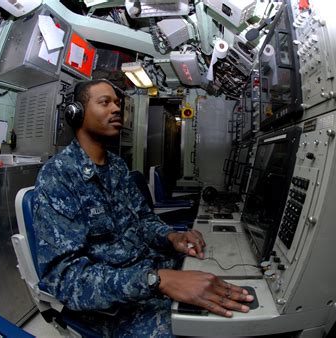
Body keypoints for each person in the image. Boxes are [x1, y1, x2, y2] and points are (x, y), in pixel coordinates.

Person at [33, 79, 254, 337]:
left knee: (219, 273)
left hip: (149, 271)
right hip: (112, 307)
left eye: (117, 103)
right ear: (76, 113)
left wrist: (171, 236)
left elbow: (143, 221)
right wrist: (156, 280)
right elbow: (66, 279)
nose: (116, 109)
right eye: (105, 103)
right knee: (202, 329)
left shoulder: (116, 167)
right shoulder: (58, 177)